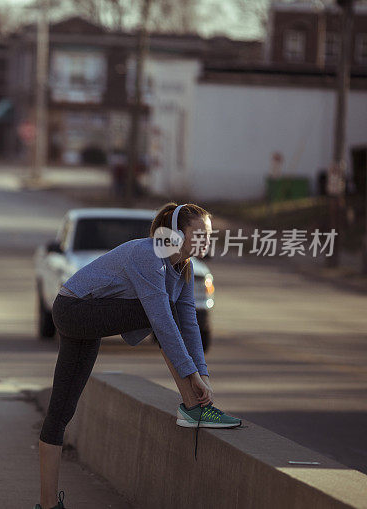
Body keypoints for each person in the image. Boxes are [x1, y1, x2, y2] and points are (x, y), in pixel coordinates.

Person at [34, 203, 242, 509]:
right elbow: (163, 323)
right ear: (175, 233)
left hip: (85, 315)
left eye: (209, 235)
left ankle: (47, 505)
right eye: (200, 234)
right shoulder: (150, 256)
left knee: (61, 413)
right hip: (74, 309)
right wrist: (193, 378)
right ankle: (192, 406)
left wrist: (204, 374)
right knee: (162, 313)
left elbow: (189, 325)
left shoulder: (182, 268)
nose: (207, 241)